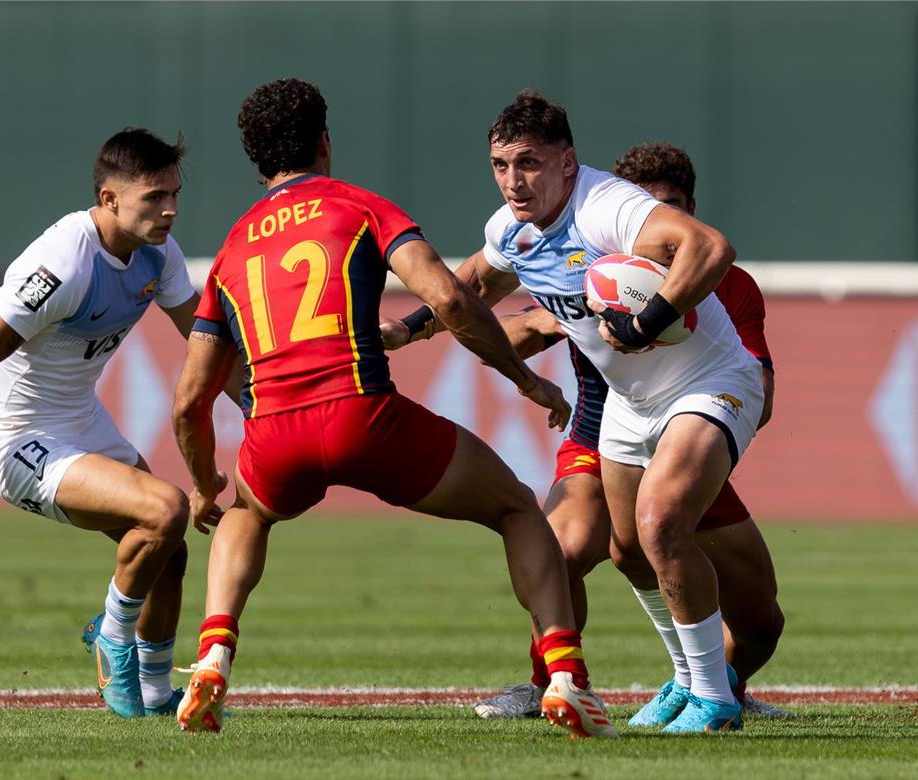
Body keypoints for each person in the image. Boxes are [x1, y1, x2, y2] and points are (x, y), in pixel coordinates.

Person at [171, 79, 617, 739]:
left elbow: (189, 400)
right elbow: (452, 299)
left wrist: (204, 481)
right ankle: (565, 675)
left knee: (247, 512)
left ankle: (213, 655)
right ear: (324, 141)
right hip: (364, 417)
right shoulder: (360, 206)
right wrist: (527, 381)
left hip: (274, 434)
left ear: (257, 159)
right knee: (517, 508)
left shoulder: (232, 248)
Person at [386, 91, 763, 733]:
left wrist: (646, 321)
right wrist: (407, 328)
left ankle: (715, 698)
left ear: (567, 162)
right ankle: (687, 680)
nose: (513, 180)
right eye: (501, 165)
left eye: (529, 163)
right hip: (629, 402)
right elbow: (472, 286)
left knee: (661, 522)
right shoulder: (511, 229)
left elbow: (710, 247)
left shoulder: (606, 207)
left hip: (709, 382)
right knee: (629, 552)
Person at [459, 141, 789, 722]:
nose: (658, 234)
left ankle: (714, 684)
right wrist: (543, 325)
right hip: (603, 428)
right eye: (648, 211)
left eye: (672, 210)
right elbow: (499, 322)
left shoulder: (727, 284)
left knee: (761, 622)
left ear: (689, 212)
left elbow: (757, 393)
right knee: (563, 550)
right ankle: (554, 681)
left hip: (691, 432)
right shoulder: (590, 266)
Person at [0, 128, 214, 721]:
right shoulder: (62, 261)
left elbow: (204, 343)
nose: (170, 209)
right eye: (154, 197)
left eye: (174, 194)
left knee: (170, 552)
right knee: (165, 509)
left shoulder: (159, 252)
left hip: (82, 422)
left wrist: (257, 402)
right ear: (109, 199)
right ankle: (113, 636)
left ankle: (156, 693)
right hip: (20, 441)